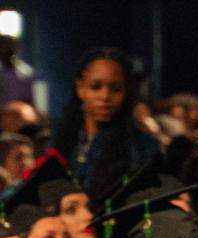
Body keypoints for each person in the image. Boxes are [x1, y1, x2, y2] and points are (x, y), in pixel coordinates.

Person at [52, 48, 160, 200]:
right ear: (80, 88)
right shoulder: (60, 139)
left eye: (116, 89)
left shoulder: (142, 146)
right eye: (95, 87)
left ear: (126, 92)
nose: (105, 96)